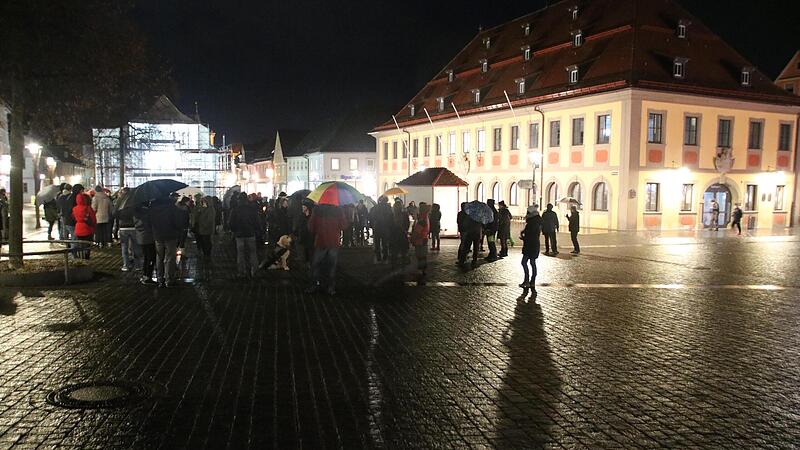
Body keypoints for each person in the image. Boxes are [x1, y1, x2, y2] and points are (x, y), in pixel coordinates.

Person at [306, 204, 347, 296]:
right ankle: (330, 287)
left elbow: (311, 227)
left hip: (321, 241)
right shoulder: (338, 210)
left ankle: (315, 285)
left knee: (316, 265)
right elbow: (344, 225)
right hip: (333, 242)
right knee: (332, 266)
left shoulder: (317, 210)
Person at [149, 197, 181, 287]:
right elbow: (177, 221)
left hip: (158, 235)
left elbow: (150, 221)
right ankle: (169, 279)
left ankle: (160, 279)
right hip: (170, 235)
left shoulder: (152, 208)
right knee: (170, 257)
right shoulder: (172, 207)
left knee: (159, 257)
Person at [229, 192, 261, 279]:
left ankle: (241, 272)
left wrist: (234, 230)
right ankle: (254, 271)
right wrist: (256, 230)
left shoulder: (235, 209)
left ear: (239, 199)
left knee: (240, 254)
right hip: (250, 234)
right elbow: (257, 222)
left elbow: (231, 223)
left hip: (239, 235)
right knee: (253, 253)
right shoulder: (252, 209)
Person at [519, 205, 542, 292]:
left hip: (530, 245)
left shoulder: (532, 223)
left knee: (524, 262)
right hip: (535, 244)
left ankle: (527, 280)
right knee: (532, 262)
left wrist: (523, 238)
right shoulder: (537, 221)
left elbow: (530, 234)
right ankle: (532, 281)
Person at [115, 188, 140, 271]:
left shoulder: (120, 201)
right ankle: (137, 265)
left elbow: (114, 213)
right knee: (136, 246)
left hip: (123, 227)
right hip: (134, 226)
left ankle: (126, 265)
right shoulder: (135, 201)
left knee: (124, 247)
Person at [134, 204, 157, 285]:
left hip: (141, 238)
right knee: (150, 257)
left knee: (147, 257)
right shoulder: (145, 213)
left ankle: (145, 275)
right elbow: (149, 225)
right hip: (148, 238)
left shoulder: (137, 213)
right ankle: (147, 276)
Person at [457, 203, 483, 269]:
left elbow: (465, 223)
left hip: (470, 233)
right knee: (476, 248)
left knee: (466, 246)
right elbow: (482, 224)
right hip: (476, 233)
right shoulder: (479, 215)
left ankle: (462, 260)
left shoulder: (469, 215)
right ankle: (474, 260)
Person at [368, 195, 393, 263]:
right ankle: (385, 257)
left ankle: (378, 257)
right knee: (385, 243)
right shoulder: (389, 208)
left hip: (377, 227)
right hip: (385, 227)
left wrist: (372, 225)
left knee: (377, 243)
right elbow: (391, 218)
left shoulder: (375, 208)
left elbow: (370, 217)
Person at [72, 193, 96, 259]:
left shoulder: (74, 208)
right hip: (87, 228)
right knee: (88, 244)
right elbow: (93, 218)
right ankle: (86, 256)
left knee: (80, 244)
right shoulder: (88, 208)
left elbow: (73, 217)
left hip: (78, 228)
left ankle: (80, 255)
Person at [410, 202, 431, 277]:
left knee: (420, 256)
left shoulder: (422, 220)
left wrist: (412, 238)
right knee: (423, 255)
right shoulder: (426, 217)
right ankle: (423, 270)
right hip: (424, 238)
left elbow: (417, 231)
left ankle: (421, 270)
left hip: (420, 239)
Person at [390, 199, 410, 267]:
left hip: (394, 234)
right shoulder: (404, 214)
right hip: (402, 233)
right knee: (403, 250)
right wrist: (405, 230)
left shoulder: (391, 215)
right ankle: (403, 263)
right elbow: (407, 224)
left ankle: (394, 264)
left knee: (394, 251)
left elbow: (389, 225)